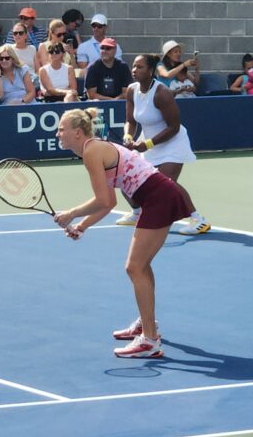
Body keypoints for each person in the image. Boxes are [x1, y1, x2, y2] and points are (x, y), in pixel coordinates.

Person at [53, 108, 195, 359]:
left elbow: (102, 199)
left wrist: (71, 214)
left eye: (61, 129)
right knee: (141, 266)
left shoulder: (91, 151)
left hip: (158, 197)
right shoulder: (93, 149)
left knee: (135, 267)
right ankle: (146, 323)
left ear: (77, 132)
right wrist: (82, 226)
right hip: (155, 197)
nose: (58, 134)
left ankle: (150, 340)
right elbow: (108, 203)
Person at [119, 53, 211, 235]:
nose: (134, 70)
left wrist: (148, 144)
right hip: (149, 143)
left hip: (172, 143)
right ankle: (137, 212)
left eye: (140, 67)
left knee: (165, 182)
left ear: (151, 71)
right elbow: (130, 120)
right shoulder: (131, 90)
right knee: (125, 176)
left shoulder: (162, 93)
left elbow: (174, 127)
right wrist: (128, 136)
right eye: (134, 66)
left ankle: (198, 219)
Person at [5, 19, 40, 84]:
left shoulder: (32, 48)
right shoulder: (8, 47)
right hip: (17, 81)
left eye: (20, 33)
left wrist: (37, 78)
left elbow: (38, 69)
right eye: (15, 33)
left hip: (33, 80)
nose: (17, 35)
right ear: (13, 36)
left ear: (26, 35)